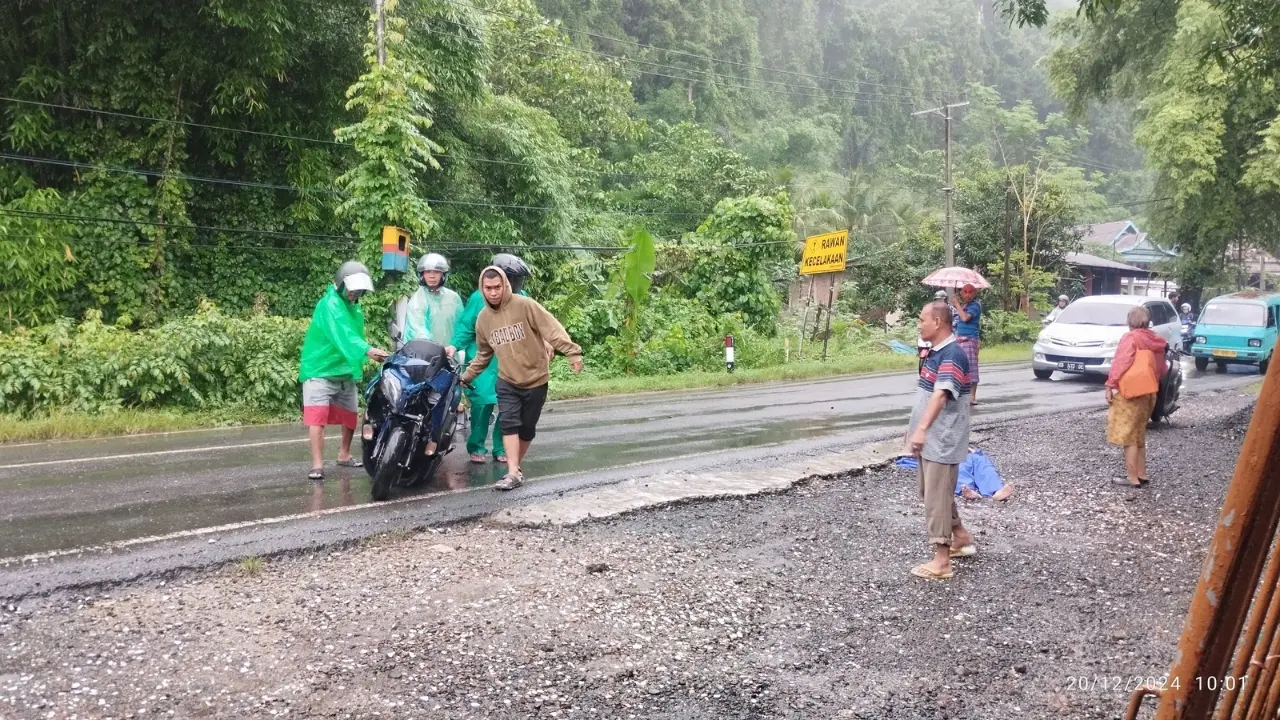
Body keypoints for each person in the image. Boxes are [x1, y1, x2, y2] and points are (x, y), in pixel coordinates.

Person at [460, 264, 584, 491]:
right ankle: (512, 472)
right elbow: (484, 354)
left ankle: (516, 468)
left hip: (536, 378)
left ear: (505, 285)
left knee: (527, 429)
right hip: (507, 380)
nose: (493, 292)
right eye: (488, 288)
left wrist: (572, 352)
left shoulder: (524, 305)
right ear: (482, 289)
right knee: (508, 423)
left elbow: (552, 329)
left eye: (497, 287)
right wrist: (466, 376)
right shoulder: (483, 319)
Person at [906, 300, 977, 580]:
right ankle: (960, 535)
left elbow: (941, 394)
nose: (919, 324)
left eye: (922, 319)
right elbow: (926, 395)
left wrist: (922, 429)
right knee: (931, 493)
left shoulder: (952, 354)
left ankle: (942, 560)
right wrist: (915, 428)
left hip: (942, 438)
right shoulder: (935, 352)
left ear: (937, 322)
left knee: (936, 497)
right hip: (931, 437)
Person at [299, 261, 389, 480]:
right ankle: (318, 465)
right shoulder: (329, 304)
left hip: (344, 370)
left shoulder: (355, 307)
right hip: (319, 370)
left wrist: (367, 353)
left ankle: (344, 454)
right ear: (340, 284)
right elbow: (344, 336)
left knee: (350, 417)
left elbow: (355, 336)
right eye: (351, 288)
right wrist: (368, 351)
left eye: (359, 290)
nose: (354, 293)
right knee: (316, 419)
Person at [450, 254, 533, 465]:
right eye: (513, 279)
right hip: (484, 361)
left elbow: (535, 325)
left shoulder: (523, 297)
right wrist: (453, 346)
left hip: (511, 361)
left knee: (509, 407)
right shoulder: (480, 297)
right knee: (482, 405)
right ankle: (476, 445)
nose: (516, 284)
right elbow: (466, 326)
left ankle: (501, 447)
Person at [1105, 305, 1168, 488]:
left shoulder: (1130, 338)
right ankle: (1142, 473)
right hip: (1149, 392)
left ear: (1129, 322)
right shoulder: (1156, 340)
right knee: (1139, 433)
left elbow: (1121, 363)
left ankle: (1132, 477)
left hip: (1132, 392)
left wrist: (1110, 385)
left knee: (1128, 435)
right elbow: (1161, 368)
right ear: (1147, 321)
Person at [403, 253, 463, 345]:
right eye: (428, 272)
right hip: (425, 354)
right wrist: (431, 349)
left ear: (443, 275)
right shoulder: (417, 300)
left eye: (436, 272)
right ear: (422, 275)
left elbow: (462, 325)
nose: (432, 276)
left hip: (452, 354)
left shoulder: (454, 298)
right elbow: (418, 330)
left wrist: (455, 347)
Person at [951, 283, 982, 405]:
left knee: (971, 368)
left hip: (969, 340)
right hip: (959, 339)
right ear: (961, 293)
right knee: (960, 368)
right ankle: (961, 394)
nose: (968, 294)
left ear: (975, 293)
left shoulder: (975, 306)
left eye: (970, 292)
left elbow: (964, 318)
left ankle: (972, 396)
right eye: (965, 291)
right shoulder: (964, 305)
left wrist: (956, 304)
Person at [917, 290, 950, 370]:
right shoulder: (931, 311)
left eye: (941, 300)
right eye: (937, 300)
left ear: (945, 300)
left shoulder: (950, 310)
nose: (939, 302)